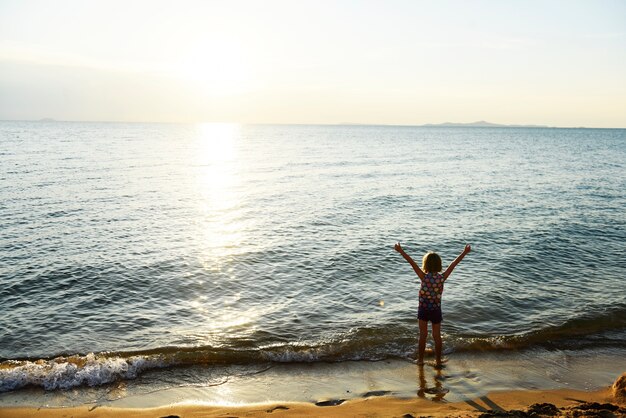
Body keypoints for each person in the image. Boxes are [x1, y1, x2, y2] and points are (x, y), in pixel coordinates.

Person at [394, 242, 471, 367]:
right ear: (439, 265)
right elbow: (453, 265)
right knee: (437, 336)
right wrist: (464, 252)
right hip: (436, 310)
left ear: (425, 265)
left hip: (423, 310)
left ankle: (420, 360)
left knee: (422, 336)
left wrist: (401, 251)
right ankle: (438, 360)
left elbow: (412, 263)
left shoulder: (423, 277)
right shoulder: (442, 278)